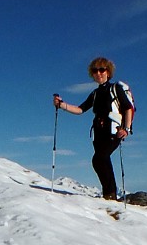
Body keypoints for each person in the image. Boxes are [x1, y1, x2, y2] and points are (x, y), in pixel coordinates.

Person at [54, 57, 134, 200]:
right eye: (95, 71)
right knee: (102, 160)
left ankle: (110, 194)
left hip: (114, 131)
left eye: (102, 69)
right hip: (98, 133)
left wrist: (126, 129)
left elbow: (128, 108)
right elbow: (80, 109)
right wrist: (62, 105)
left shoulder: (115, 89)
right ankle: (109, 194)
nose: (98, 73)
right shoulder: (95, 94)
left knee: (99, 159)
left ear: (108, 72)